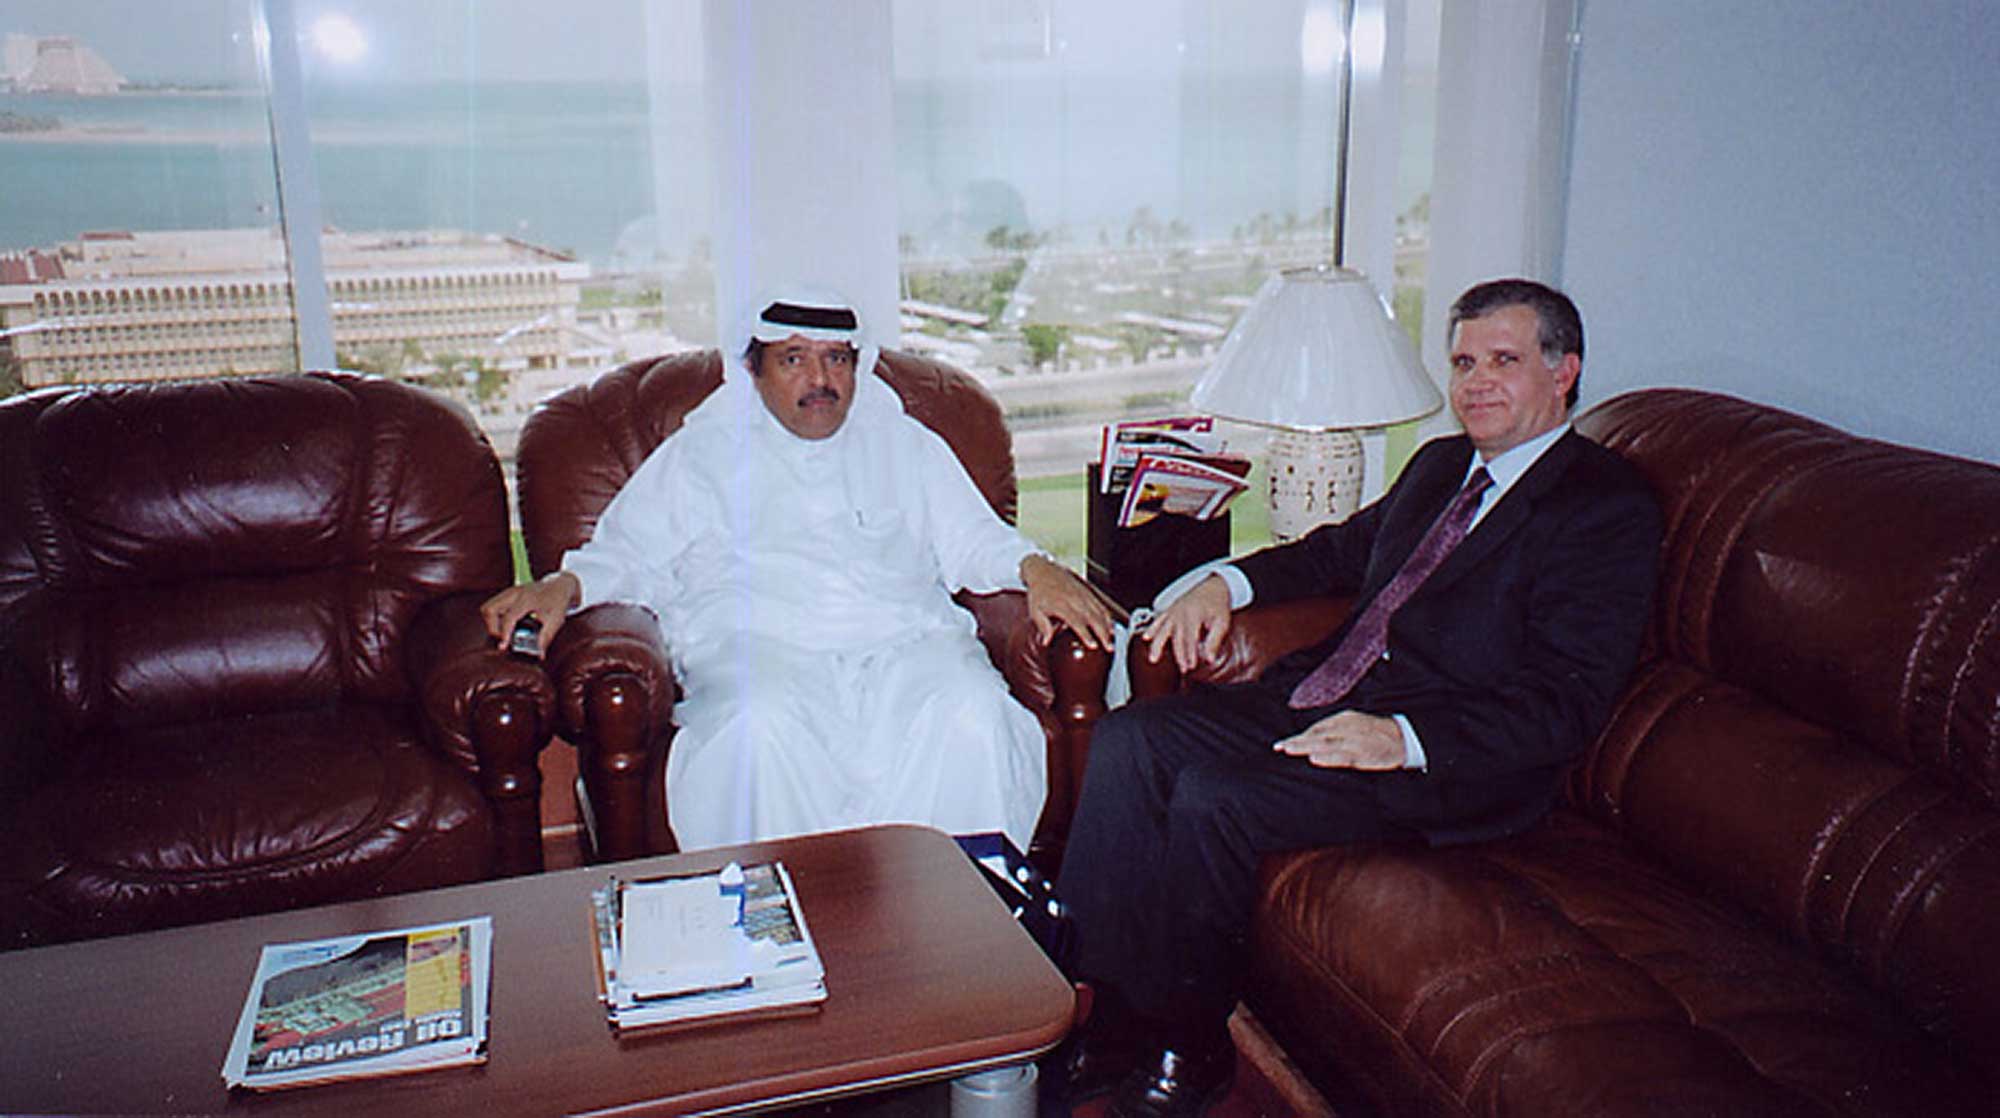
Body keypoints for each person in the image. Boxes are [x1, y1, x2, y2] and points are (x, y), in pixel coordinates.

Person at [1049, 279, 1664, 1118]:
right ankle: (1110, 1017)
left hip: (1445, 756)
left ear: (1564, 373)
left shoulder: (1604, 506)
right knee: (1135, 739)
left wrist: (1400, 737)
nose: (1476, 383)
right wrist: (1220, 585)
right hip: (1326, 694)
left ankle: (1190, 1047)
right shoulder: (1443, 464)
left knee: (1214, 796)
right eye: (1463, 363)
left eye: (1503, 361)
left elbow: (1566, 700)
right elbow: (1334, 553)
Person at [482, 289, 1115, 853]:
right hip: (761, 651)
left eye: (836, 359)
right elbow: (629, 551)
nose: (820, 379)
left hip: (904, 648)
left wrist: (1036, 568)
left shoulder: (905, 443)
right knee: (759, 729)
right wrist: (565, 585)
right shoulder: (703, 452)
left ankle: (967, 916)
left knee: (972, 710)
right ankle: (791, 927)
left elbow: (973, 538)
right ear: (755, 371)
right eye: (793, 359)